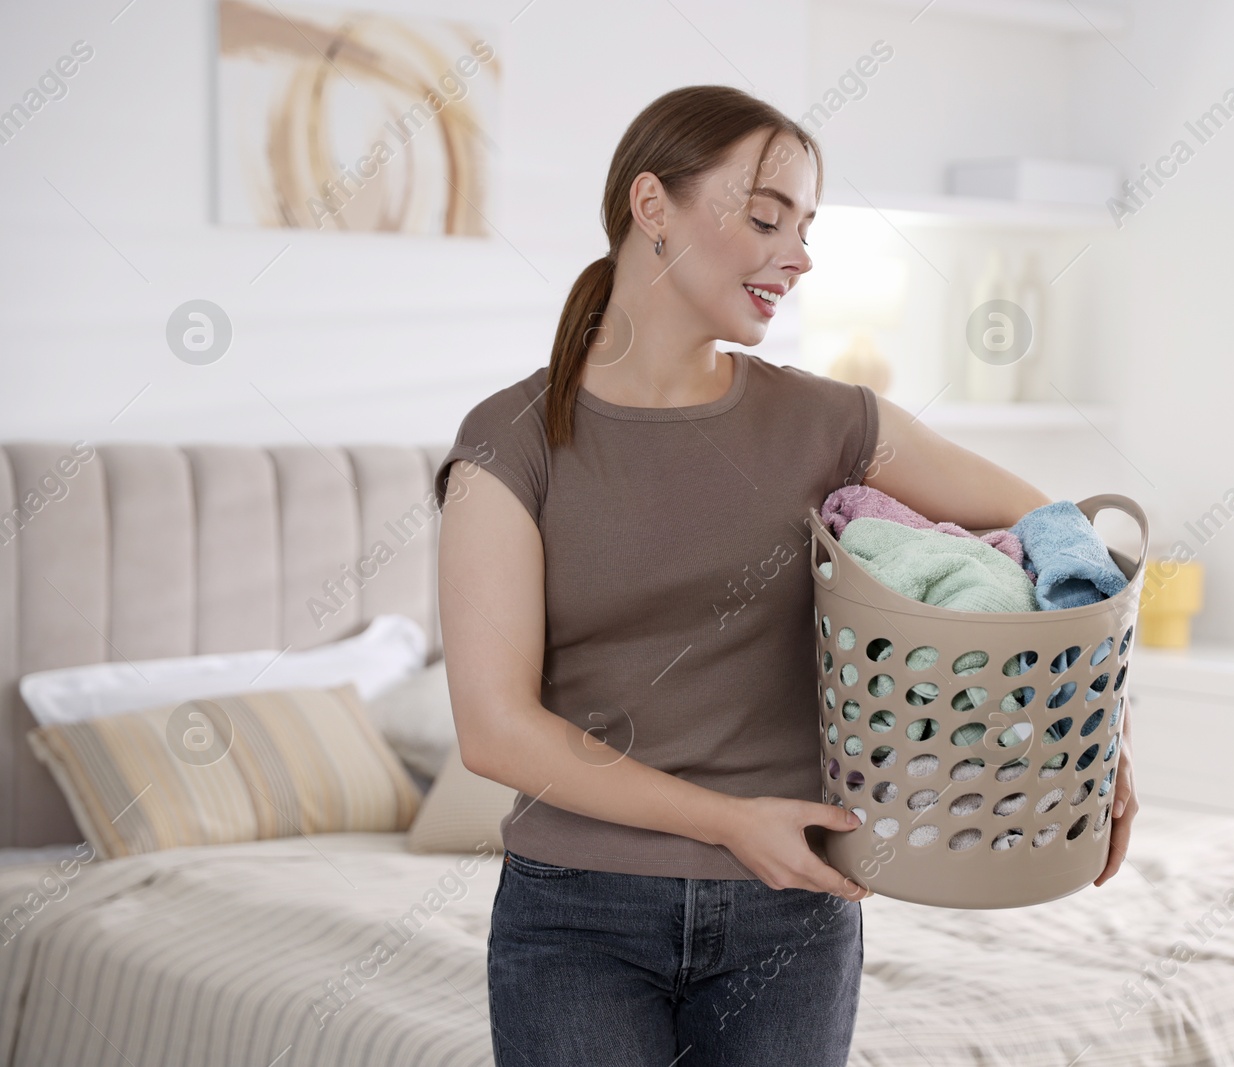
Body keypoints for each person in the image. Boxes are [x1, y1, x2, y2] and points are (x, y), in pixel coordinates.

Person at [433, 83, 1139, 1067]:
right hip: (579, 918)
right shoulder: (511, 443)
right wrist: (729, 823)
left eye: (805, 227)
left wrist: (1086, 741)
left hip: (794, 913)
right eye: (768, 218)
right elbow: (494, 729)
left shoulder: (831, 424)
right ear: (651, 207)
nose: (799, 256)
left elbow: (1058, 532)